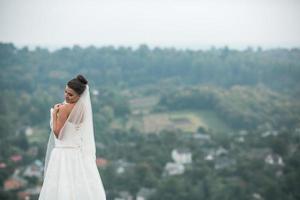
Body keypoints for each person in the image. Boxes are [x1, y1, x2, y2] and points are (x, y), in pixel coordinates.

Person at [38, 75, 106, 200]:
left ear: (79, 96)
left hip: (63, 154)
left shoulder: (64, 109)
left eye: (70, 94)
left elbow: (58, 134)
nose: (66, 96)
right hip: (77, 154)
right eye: (65, 92)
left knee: (61, 188)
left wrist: (54, 114)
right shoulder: (84, 109)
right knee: (77, 186)